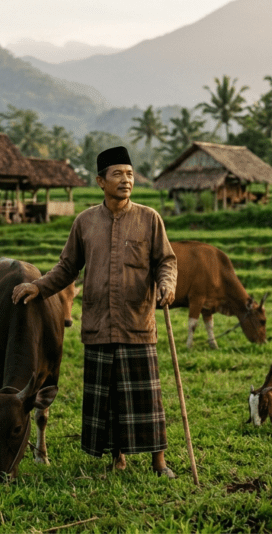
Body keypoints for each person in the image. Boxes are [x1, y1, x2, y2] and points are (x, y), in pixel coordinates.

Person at [11, 146, 178, 478]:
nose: (125, 180)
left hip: (137, 323)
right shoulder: (85, 222)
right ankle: (117, 458)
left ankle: (159, 461)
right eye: (117, 174)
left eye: (130, 174)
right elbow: (67, 267)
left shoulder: (150, 219)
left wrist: (167, 284)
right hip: (99, 324)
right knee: (110, 399)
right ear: (101, 181)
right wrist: (39, 286)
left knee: (148, 398)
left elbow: (166, 262)